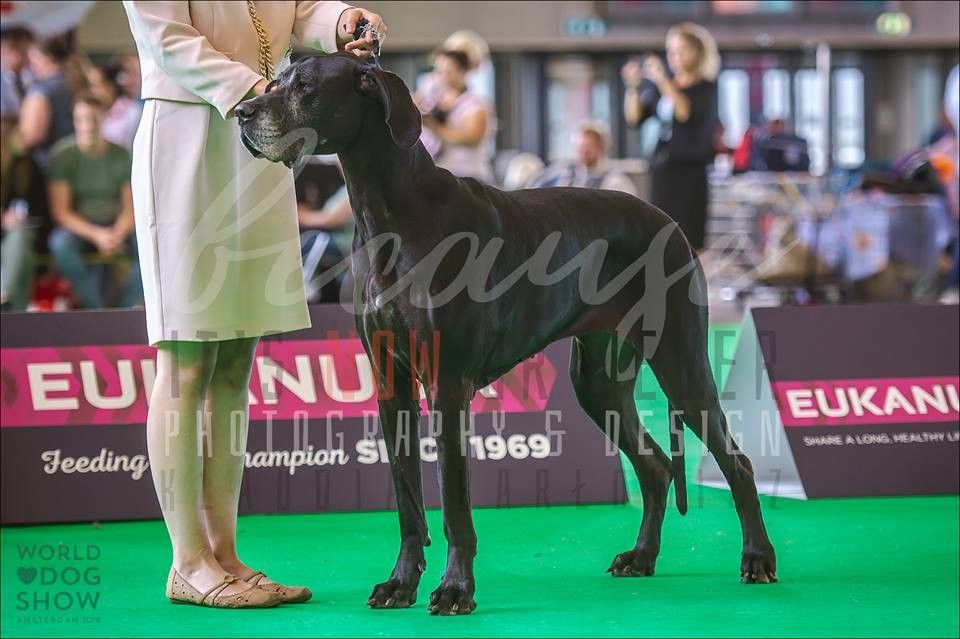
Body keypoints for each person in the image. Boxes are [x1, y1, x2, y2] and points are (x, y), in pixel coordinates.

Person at [122, 1, 385, 609]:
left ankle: (225, 553)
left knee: (238, 356)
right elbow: (166, 38)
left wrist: (341, 22)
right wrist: (264, 90)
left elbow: (300, 10)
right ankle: (187, 561)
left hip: (264, 136)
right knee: (185, 357)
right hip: (187, 136)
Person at [622, 22, 719, 251]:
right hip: (663, 167)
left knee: (690, 238)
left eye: (682, 50)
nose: (675, 57)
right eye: (671, 51)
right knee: (661, 235)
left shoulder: (705, 87)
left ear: (698, 52)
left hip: (690, 170)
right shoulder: (662, 88)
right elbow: (634, 117)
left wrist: (661, 79)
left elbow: (684, 112)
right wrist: (633, 86)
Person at [47, 95, 141, 309]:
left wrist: (116, 234)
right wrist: (97, 235)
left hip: (116, 226)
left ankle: (121, 309)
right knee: (59, 243)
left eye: (94, 119)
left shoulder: (122, 155)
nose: (88, 125)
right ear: (74, 121)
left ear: (104, 119)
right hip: (82, 228)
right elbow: (62, 213)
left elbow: (131, 208)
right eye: (82, 119)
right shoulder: (63, 155)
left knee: (151, 247)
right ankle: (96, 310)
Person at [416, 47, 496, 182]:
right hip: (439, 174)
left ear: (463, 71)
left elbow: (471, 139)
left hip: (469, 178)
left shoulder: (477, 105)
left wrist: (433, 126)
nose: (442, 76)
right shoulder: (433, 101)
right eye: (439, 71)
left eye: (448, 71)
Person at [534, 121, 638, 196]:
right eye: (580, 147)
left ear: (602, 148)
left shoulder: (615, 181)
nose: (584, 152)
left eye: (589, 146)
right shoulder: (564, 174)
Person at [20, 36, 75, 170]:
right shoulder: (77, 84)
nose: (31, 66)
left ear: (46, 58)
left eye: (33, 59)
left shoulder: (41, 90)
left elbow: (33, 135)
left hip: (47, 165)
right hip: (75, 160)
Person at [86, 62, 143, 150]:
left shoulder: (134, 112)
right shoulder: (88, 113)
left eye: (96, 85)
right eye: (89, 86)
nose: (91, 91)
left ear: (111, 86)